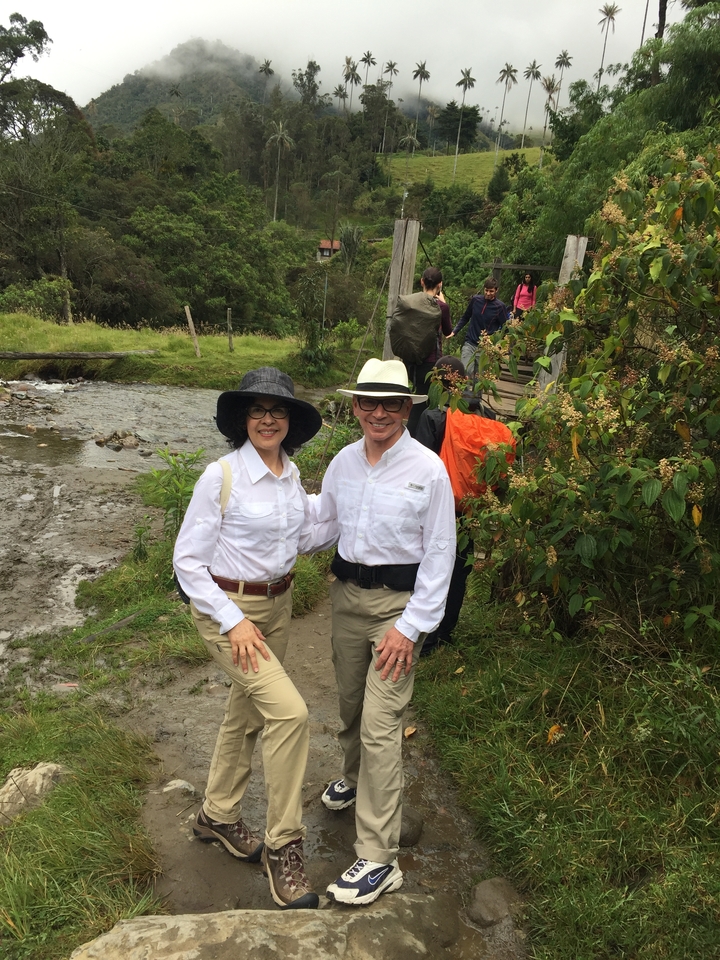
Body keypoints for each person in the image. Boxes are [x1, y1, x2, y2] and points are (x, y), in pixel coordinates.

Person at [173, 367, 335, 911]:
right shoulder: (221, 476)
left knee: (247, 712)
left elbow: (305, 534)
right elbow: (187, 562)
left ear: (290, 420)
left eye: (278, 410)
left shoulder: (289, 475)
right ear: (243, 420)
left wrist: (355, 501)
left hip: (279, 607)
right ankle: (283, 844)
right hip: (227, 612)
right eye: (258, 410)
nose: (268, 419)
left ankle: (216, 816)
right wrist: (233, 621)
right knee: (288, 713)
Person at [312, 358, 456, 906]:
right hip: (346, 599)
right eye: (368, 402)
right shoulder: (345, 462)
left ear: (406, 408)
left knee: (381, 722)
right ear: (354, 407)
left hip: (398, 609)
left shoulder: (428, 469)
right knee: (350, 704)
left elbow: (441, 552)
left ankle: (378, 857)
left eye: (390, 403)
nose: (378, 412)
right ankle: (353, 780)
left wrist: (411, 626)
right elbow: (323, 523)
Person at [415, 357, 496, 657]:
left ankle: (424, 636)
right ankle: (445, 634)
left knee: (428, 566)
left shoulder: (433, 417)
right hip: (470, 508)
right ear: (464, 381)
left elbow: (420, 466)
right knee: (459, 571)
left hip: (437, 507)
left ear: (438, 383)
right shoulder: (486, 414)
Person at [404, 266, 453, 438]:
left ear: (422, 282)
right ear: (440, 285)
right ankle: (415, 442)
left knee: (418, 399)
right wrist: (444, 304)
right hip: (431, 363)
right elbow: (448, 332)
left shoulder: (410, 303)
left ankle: (412, 441)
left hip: (410, 362)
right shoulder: (441, 307)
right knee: (427, 405)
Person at [447, 276, 511, 379]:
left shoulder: (500, 307)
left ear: (496, 290)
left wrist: (501, 346)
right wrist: (455, 331)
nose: (488, 293)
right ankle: (465, 394)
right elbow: (465, 317)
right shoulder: (476, 300)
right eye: (486, 290)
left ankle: (477, 395)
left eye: (491, 291)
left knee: (479, 377)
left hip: (485, 347)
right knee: (466, 370)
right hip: (470, 343)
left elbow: (505, 328)